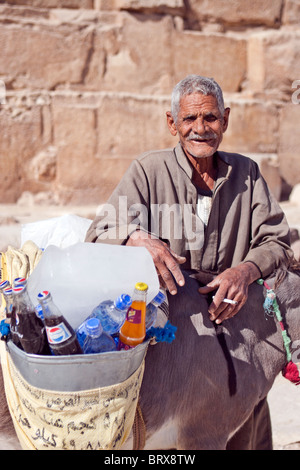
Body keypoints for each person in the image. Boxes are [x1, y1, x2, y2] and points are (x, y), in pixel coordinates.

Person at [85, 75, 292, 449]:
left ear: (225, 120)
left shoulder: (247, 174)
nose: (200, 129)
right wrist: (136, 238)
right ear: (172, 124)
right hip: (178, 340)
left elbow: (277, 240)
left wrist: (245, 271)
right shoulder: (148, 171)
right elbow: (101, 229)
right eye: (189, 120)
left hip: (238, 333)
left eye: (210, 118)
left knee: (244, 430)